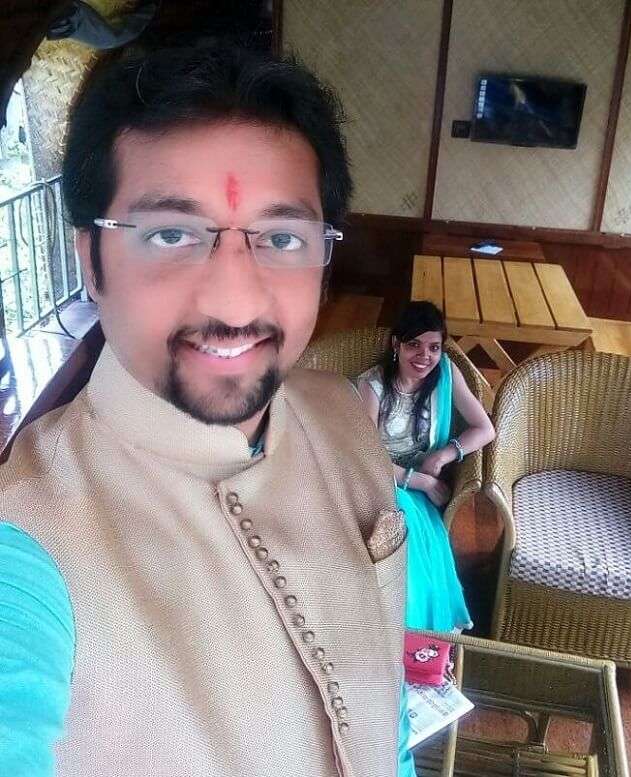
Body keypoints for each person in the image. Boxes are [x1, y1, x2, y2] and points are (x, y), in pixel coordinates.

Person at [0, 45, 408, 777]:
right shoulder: (25, 542)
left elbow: (384, 710)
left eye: (281, 238)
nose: (234, 302)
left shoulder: (347, 418)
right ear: (90, 259)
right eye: (170, 234)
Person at [358, 301, 495, 632]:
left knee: (414, 530)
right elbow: (362, 456)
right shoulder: (373, 385)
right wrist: (418, 481)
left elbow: (485, 429)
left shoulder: (446, 373)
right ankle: (400, 632)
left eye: (434, 347)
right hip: (377, 478)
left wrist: (445, 455)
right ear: (396, 345)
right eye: (414, 345)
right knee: (403, 522)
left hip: (421, 482)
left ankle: (421, 638)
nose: (424, 357)